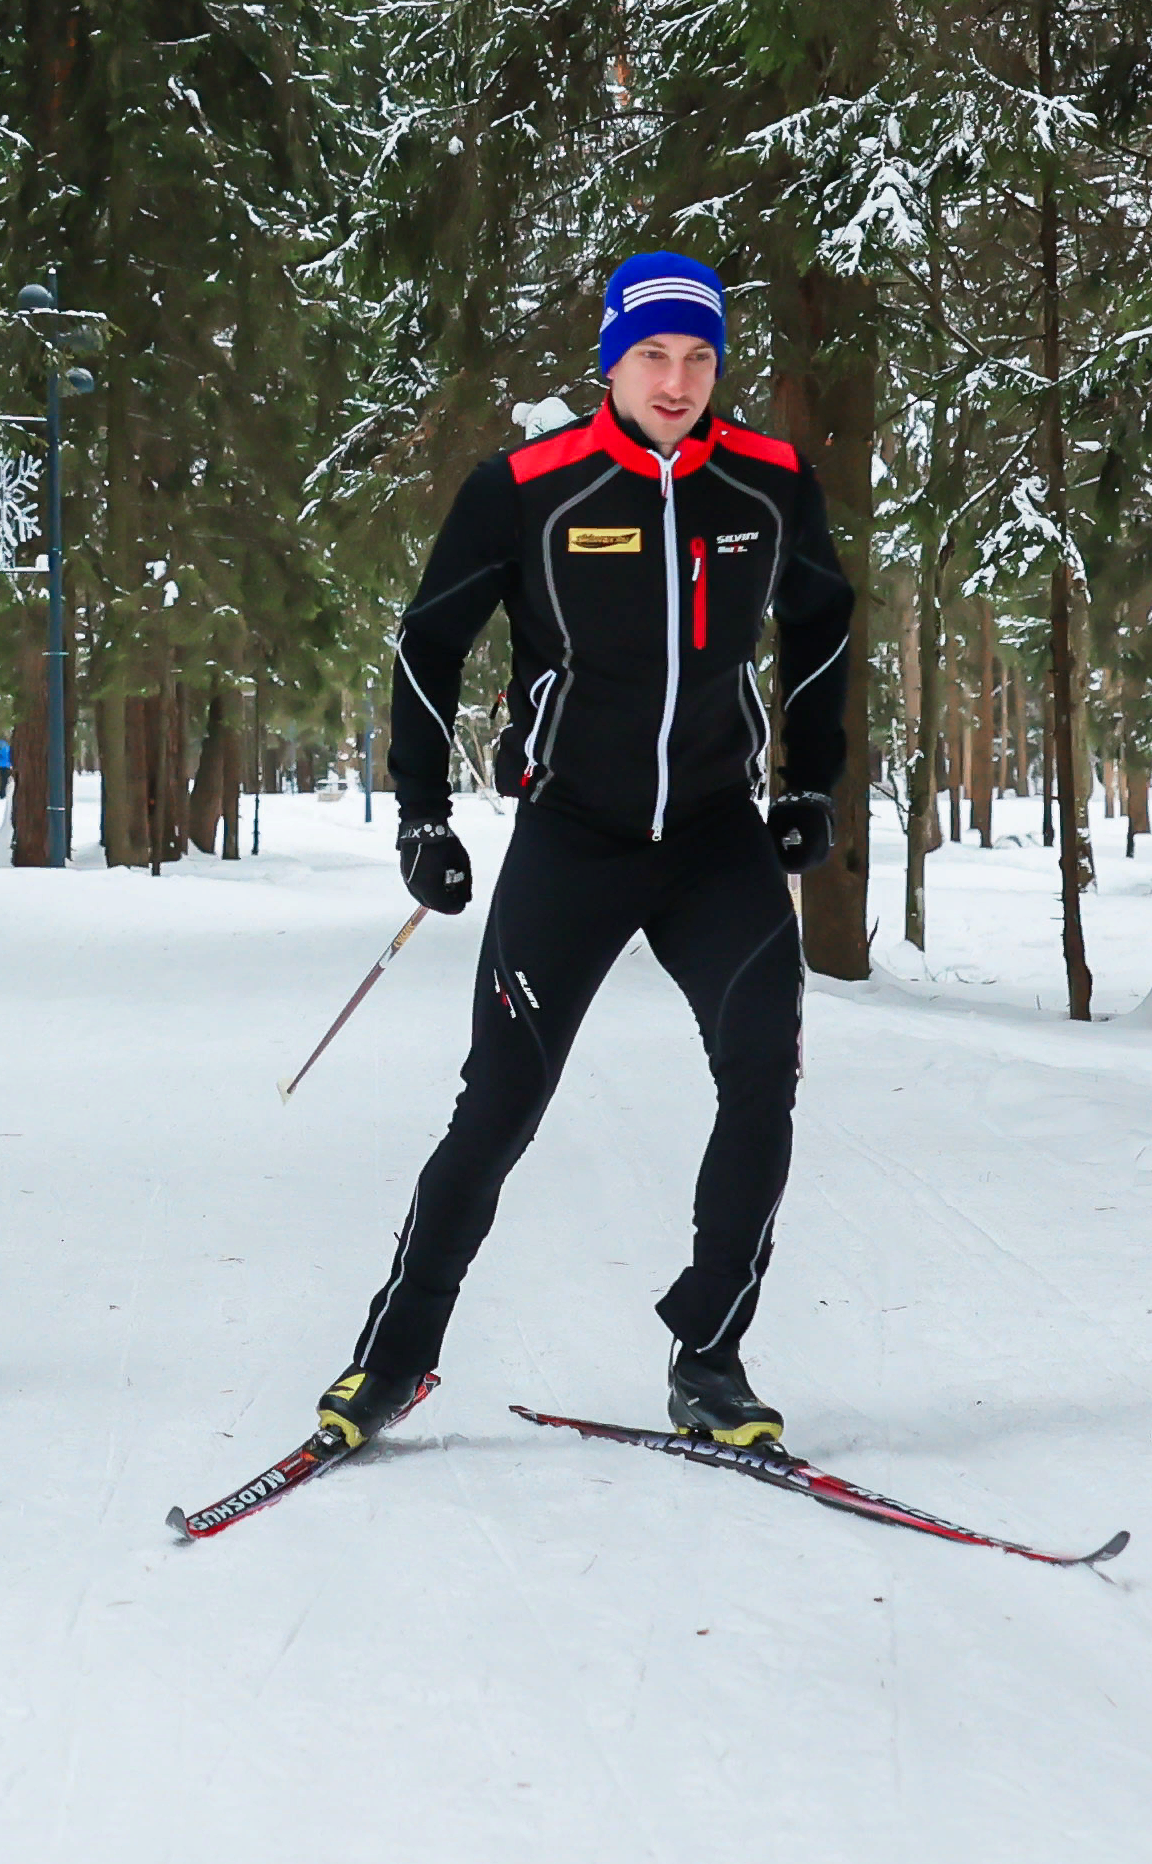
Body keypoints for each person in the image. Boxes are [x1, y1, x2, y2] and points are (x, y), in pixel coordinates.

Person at [313, 249, 853, 1452]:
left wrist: (812, 782)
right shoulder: (528, 486)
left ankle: (710, 1354)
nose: (676, 378)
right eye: (653, 355)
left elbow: (821, 627)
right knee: (500, 1102)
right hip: (576, 835)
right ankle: (393, 1356)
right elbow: (426, 641)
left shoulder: (768, 482)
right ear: (612, 358)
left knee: (764, 1068)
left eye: (699, 356)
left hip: (717, 836)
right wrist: (420, 812)